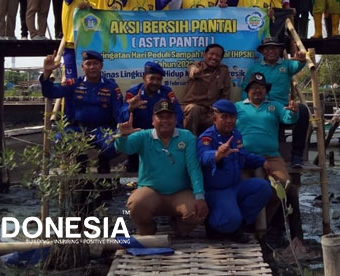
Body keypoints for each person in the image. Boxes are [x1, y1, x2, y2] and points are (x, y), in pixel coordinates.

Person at [115, 100, 209, 236]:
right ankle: (148, 228)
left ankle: (178, 227)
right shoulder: (143, 136)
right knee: (135, 204)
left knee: (197, 212)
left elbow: (194, 168)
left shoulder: (187, 137)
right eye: (161, 117)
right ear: (153, 120)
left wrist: (200, 196)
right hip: (152, 192)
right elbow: (124, 148)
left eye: (169, 116)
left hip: (180, 193)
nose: (165, 120)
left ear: (175, 119)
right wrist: (122, 136)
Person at [235, 73, 300, 238]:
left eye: (261, 88)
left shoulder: (274, 106)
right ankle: (245, 222)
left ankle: (265, 224)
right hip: (245, 157)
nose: (257, 91)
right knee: (240, 186)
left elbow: (288, 118)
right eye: (254, 88)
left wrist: (293, 112)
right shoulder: (237, 107)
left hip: (271, 157)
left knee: (283, 185)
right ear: (247, 91)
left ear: (266, 91)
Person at [197, 99, 272, 240]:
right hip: (216, 190)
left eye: (232, 117)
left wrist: (262, 160)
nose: (229, 121)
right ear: (215, 118)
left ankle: (238, 227)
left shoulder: (235, 135)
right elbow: (202, 157)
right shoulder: (207, 137)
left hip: (235, 186)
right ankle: (215, 225)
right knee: (229, 220)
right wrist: (217, 154)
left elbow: (242, 156)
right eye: (224, 117)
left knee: (263, 188)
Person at [40, 50, 125, 173]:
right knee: (59, 141)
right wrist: (47, 73)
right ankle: (80, 160)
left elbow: (119, 112)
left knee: (114, 145)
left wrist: (120, 130)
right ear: (82, 67)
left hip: (101, 130)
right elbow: (50, 92)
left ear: (101, 66)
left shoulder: (111, 86)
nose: (92, 67)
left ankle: (103, 162)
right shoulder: (74, 84)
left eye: (95, 63)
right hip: (76, 129)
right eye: (88, 64)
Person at [243, 37, 309, 167]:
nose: (271, 51)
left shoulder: (286, 65)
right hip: (263, 107)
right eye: (267, 48)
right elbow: (246, 89)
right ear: (263, 51)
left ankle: (296, 156)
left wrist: (301, 60)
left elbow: (298, 64)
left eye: (274, 48)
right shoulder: (254, 68)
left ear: (279, 50)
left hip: (283, 108)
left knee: (302, 110)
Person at [182, 44, 232, 135]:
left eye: (218, 56)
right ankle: (188, 141)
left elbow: (225, 95)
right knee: (194, 109)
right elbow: (192, 69)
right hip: (191, 108)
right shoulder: (197, 66)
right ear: (204, 54)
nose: (214, 57)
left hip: (210, 111)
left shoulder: (223, 71)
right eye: (211, 54)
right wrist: (194, 72)